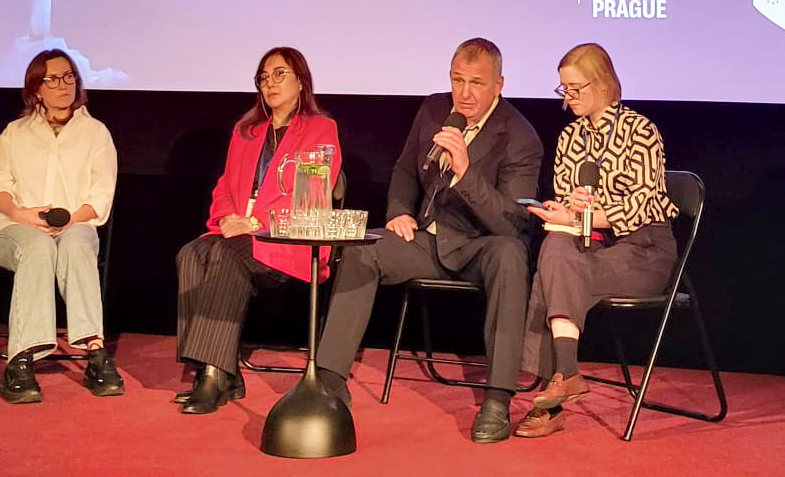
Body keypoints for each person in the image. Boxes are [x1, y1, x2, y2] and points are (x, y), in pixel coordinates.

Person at [316, 38, 543, 443]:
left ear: (499, 85)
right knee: (362, 249)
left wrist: (464, 170)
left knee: (511, 255)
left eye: (476, 82)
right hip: (425, 239)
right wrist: (399, 211)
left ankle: (497, 399)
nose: (465, 92)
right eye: (458, 80)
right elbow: (405, 168)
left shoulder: (521, 137)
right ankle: (329, 379)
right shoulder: (434, 109)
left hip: (481, 245)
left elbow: (510, 222)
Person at [517, 43, 679, 438]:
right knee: (555, 247)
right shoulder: (570, 137)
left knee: (551, 274)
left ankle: (553, 391)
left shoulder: (640, 131)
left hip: (644, 248)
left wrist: (589, 216)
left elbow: (643, 203)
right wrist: (563, 213)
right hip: (591, 243)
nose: (567, 98)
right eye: (563, 90)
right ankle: (565, 377)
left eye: (575, 88)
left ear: (603, 83)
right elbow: (572, 202)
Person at [174, 46, 342, 414]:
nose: (270, 83)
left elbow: (310, 194)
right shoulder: (246, 131)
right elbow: (223, 187)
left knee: (223, 253)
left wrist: (254, 224)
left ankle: (214, 377)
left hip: (287, 239)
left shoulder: (320, 129)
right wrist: (225, 220)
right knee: (191, 252)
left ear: (301, 81)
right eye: (264, 77)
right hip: (237, 231)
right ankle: (220, 370)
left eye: (279, 74)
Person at [0, 49, 122, 404]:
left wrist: (67, 221)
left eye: (69, 76)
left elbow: (100, 198)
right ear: (36, 89)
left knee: (75, 243)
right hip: (12, 230)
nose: (63, 85)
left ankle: (95, 352)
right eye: (53, 79)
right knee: (36, 246)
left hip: (74, 227)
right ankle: (21, 360)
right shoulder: (14, 133)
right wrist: (22, 214)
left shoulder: (95, 133)